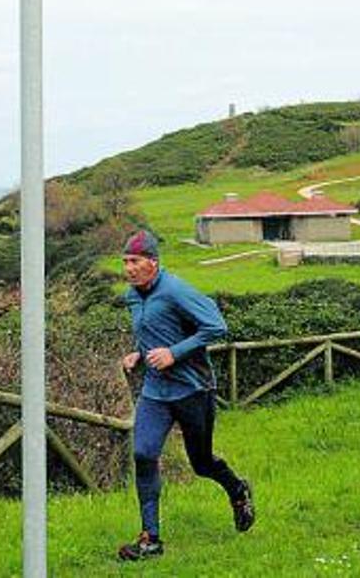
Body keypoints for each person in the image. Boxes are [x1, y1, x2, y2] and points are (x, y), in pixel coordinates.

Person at [116, 229, 254, 561]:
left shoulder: (176, 290)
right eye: (125, 262)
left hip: (193, 389)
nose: (129, 269)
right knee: (144, 454)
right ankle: (151, 539)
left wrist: (174, 354)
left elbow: (216, 326)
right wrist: (139, 353)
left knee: (201, 463)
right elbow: (152, 330)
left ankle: (237, 490)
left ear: (153, 262)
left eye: (135, 262)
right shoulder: (133, 296)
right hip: (155, 391)